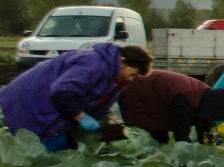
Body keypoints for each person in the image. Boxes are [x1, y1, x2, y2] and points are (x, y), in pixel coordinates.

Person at [0, 43, 153, 151]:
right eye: (132, 74)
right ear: (123, 61)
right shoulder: (94, 64)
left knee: (50, 148)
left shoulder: (116, 79)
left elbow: (100, 104)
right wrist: (81, 117)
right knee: (26, 147)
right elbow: (61, 93)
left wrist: (109, 121)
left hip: (49, 109)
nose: (131, 79)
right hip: (29, 99)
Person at [119, 69, 224, 144]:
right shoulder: (185, 99)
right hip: (134, 91)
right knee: (156, 136)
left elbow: (204, 124)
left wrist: (209, 145)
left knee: (161, 136)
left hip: (158, 92)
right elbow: (181, 134)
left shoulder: (205, 95)